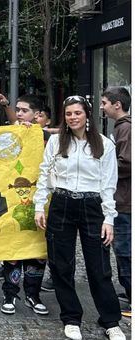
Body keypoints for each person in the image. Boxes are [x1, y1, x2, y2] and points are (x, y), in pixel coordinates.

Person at [33, 95, 125, 340]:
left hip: (93, 206)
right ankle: (71, 317)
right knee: (61, 265)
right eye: (68, 114)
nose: (73, 117)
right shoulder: (55, 142)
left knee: (100, 266)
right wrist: (39, 206)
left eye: (77, 113)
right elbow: (44, 174)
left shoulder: (104, 144)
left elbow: (109, 185)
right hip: (62, 204)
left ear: (87, 116)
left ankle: (110, 320)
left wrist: (108, 219)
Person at [0, 94, 49, 316]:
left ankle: (33, 294)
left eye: (23, 110)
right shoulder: (9, 136)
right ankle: (9, 294)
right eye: (17, 110)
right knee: (13, 250)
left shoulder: (46, 137)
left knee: (37, 252)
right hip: (12, 204)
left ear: (36, 115)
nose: (19, 114)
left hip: (40, 202)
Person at [100, 87, 131, 318]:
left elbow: (127, 164)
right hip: (121, 199)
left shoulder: (126, 129)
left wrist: (101, 166)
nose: (102, 107)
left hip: (124, 201)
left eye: (104, 103)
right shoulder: (121, 127)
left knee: (125, 251)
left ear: (116, 105)